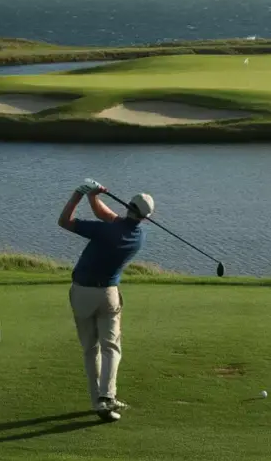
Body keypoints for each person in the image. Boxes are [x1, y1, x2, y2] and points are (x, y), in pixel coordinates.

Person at [58, 178, 154, 423]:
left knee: (91, 349)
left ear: (129, 207)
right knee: (111, 348)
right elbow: (108, 216)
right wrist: (94, 197)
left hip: (82, 293)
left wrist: (79, 194)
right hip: (108, 295)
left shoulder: (107, 229)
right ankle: (106, 397)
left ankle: (99, 400)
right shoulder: (137, 236)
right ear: (144, 218)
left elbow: (64, 222)